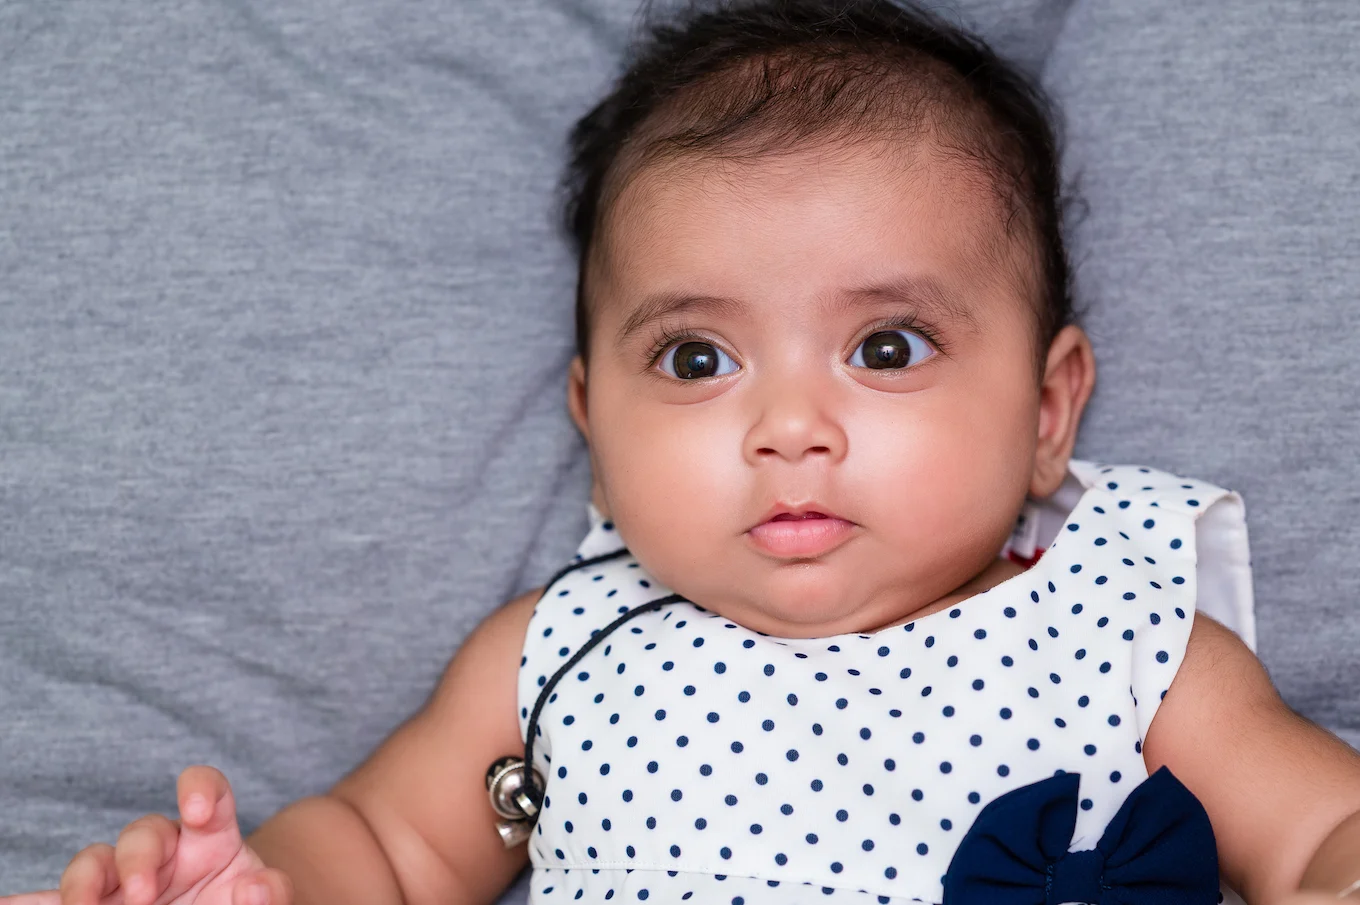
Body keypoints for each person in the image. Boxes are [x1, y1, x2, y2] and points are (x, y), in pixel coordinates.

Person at [5, 1, 1359, 904]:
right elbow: (391, 846)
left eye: (886, 348)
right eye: (697, 361)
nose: (787, 429)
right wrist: (267, 887)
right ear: (595, 433)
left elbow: (1320, 829)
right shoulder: (563, 649)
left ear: (1049, 411)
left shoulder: (1117, 631)